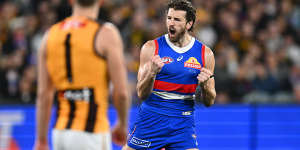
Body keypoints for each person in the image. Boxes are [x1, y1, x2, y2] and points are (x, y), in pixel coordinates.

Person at [33, 0, 131, 150]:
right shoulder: (106, 33)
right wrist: (122, 124)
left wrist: (41, 139)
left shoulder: (50, 35)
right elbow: (122, 93)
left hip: (60, 131)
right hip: (92, 131)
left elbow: (43, 95)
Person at [123, 0, 216, 149]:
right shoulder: (151, 48)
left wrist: (205, 86)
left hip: (182, 124)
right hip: (151, 120)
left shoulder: (206, 54)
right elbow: (141, 93)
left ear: (189, 24)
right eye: (169, 18)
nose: (171, 23)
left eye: (177, 19)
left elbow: (209, 101)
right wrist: (151, 74)